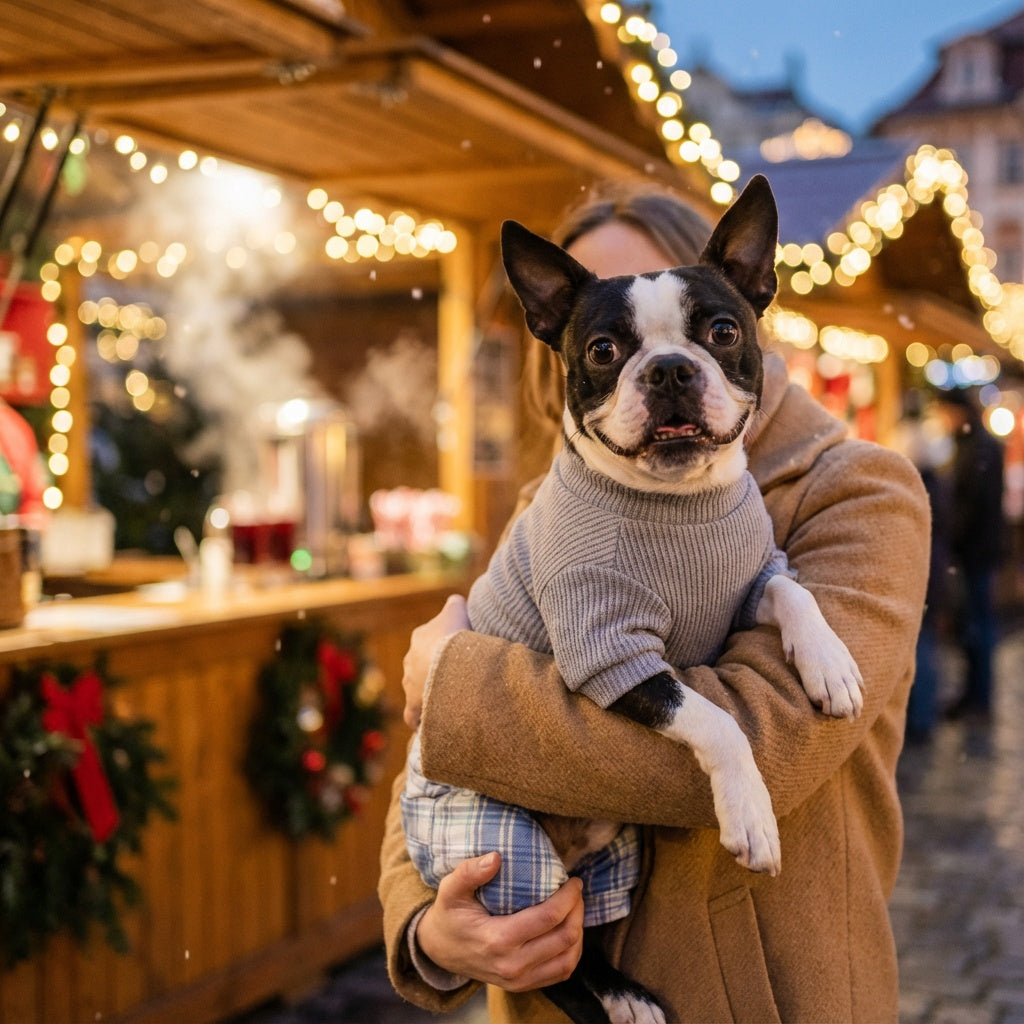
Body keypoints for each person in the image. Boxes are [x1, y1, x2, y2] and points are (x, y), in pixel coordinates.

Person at [379, 180, 931, 1023]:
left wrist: (457, 684)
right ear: (559, 342)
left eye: (702, 328)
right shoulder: (553, 510)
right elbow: (431, 766)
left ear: (741, 292)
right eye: (611, 341)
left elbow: (775, 744)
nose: (666, 368)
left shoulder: (858, 491)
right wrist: (429, 930)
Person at [934, 387, 1005, 719]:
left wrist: (953, 538)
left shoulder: (979, 447)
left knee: (979, 625)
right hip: (974, 550)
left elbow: (972, 505)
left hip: (976, 552)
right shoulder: (973, 443)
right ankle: (973, 695)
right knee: (972, 625)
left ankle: (979, 698)